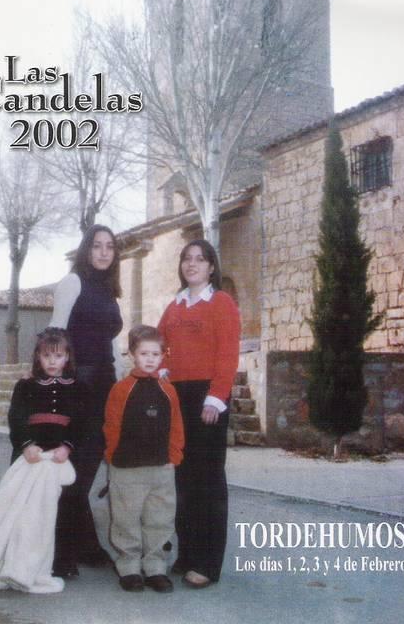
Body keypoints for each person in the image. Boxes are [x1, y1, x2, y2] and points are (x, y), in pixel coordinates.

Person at [0, 328, 80, 594]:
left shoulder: (77, 388)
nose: (52, 361)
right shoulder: (25, 386)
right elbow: (16, 418)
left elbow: (83, 422)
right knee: (10, 509)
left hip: (58, 460)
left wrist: (67, 446)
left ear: (67, 357)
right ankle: (2, 562)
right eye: (46, 356)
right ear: (38, 357)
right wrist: (27, 445)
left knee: (46, 516)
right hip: (29, 458)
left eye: (58, 356)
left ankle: (38, 566)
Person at [158, 239, 241, 588]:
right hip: (176, 398)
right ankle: (188, 554)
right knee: (183, 480)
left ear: (211, 267)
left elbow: (228, 354)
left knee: (207, 481)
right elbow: (157, 345)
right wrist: (162, 369)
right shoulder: (174, 307)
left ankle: (207, 563)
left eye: (199, 259)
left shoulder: (221, 303)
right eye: (186, 259)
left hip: (207, 398)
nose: (192, 264)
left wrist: (216, 398)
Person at [49, 224, 123, 577]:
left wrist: (122, 385)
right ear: (86, 250)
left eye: (110, 246)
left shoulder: (109, 291)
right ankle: (64, 554)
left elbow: (111, 345)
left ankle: (83, 545)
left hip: (105, 388)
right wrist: (56, 387)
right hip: (77, 387)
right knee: (73, 470)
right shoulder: (73, 282)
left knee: (87, 469)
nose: (104, 252)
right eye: (97, 246)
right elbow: (56, 334)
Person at [103, 325, 184, 594]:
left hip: (161, 468)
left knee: (160, 519)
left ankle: (156, 567)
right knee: (126, 519)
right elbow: (111, 425)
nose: (150, 359)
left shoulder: (168, 391)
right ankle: (129, 567)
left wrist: (174, 456)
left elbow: (176, 426)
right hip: (127, 468)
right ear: (132, 355)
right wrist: (113, 456)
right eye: (144, 353)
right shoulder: (121, 389)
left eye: (155, 354)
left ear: (163, 356)